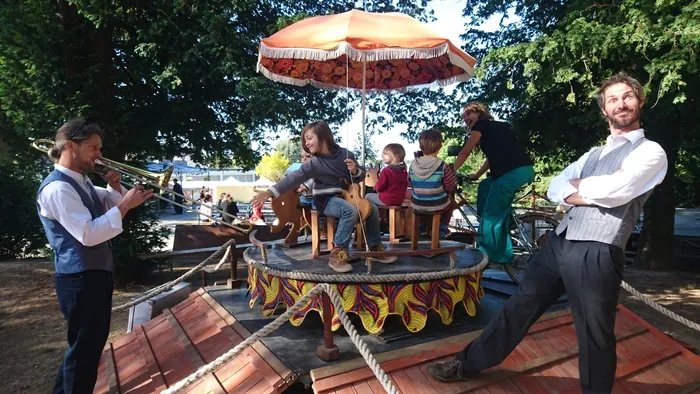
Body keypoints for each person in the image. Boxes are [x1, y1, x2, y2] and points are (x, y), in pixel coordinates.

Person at [427, 72, 668, 394]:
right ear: (604, 110)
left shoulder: (651, 152)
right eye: (613, 99)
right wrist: (579, 189)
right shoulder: (593, 155)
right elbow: (557, 186)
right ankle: (468, 364)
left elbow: (618, 189)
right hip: (560, 242)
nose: (621, 103)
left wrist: (580, 188)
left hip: (598, 249)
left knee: (594, 331)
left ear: (639, 102)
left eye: (627, 97)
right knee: (518, 306)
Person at [37, 119, 153, 394]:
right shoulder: (58, 188)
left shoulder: (81, 181)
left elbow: (108, 203)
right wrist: (124, 204)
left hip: (92, 276)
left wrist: (116, 189)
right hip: (78, 279)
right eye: (93, 147)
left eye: (99, 148)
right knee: (85, 350)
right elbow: (88, 233)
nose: (99, 154)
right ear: (70, 146)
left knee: (86, 347)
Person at [250, 120, 397, 272]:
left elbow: (360, 177)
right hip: (323, 199)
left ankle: (374, 248)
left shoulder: (345, 155)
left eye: (309, 138)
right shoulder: (314, 163)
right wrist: (269, 192)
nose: (306, 143)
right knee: (349, 211)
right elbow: (292, 178)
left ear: (323, 137)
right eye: (305, 139)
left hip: (343, 197)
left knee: (371, 208)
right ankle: (337, 254)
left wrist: (354, 171)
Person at [452, 102, 535, 263]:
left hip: (510, 174)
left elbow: (465, 151)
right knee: (485, 186)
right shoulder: (500, 127)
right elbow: (493, 157)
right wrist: (477, 175)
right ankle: (499, 223)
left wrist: (450, 171)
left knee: (491, 216)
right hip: (524, 170)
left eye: (468, 114)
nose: (465, 118)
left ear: (479, 113)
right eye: (463, 116)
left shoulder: (481, 126)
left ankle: (488, 256)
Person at [409, 129, 457, 237]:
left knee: (422, 203)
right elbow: (450, 185)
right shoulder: (442, 165)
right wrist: (447, 193)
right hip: (437, 203)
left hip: (417, 204)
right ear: (440, 147)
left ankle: (421, 227)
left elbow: (410, 182)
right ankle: (441, 229)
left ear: (421, 147)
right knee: (451, 204)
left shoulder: (413, 165)